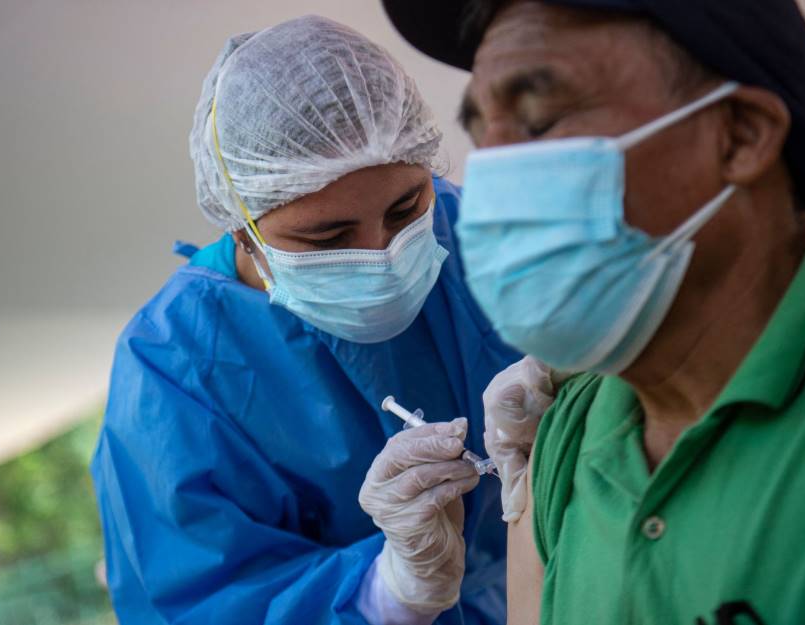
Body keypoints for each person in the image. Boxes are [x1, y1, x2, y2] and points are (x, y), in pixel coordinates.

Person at [383, 0, 805, 623]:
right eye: (482, 133)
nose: (492, 174)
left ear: (740, 134)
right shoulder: (570, 428)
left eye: (538, 120)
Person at [90, 15, 529, 625]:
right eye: (328, 237)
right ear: (241, 226)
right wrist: (390, 590)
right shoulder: (172, 371)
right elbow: (194, 603)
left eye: (406, 207)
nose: (382, 255)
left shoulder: (486, 238)